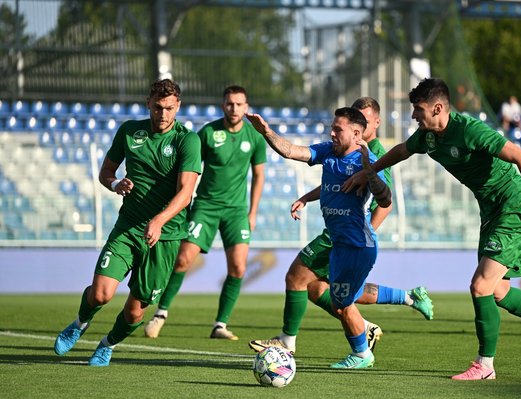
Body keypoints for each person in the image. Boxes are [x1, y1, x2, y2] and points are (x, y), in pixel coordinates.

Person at [343, 78, 521, 380]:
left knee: (480, 286)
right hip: (490, 211)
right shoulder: (428, 136)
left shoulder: (469, 130)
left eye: (418, 110)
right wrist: (368, 170)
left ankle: (484, 366)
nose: (414, 116)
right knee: (498, 291)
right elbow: (400, 151)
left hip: (514, 206)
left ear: (438, 108)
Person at [248, 97, 433, 355]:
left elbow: (385, 200)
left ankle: (300, 342)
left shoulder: (374, 157)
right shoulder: (330, 151)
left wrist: (365, 235)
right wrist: (267, 132)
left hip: (352, 239)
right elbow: (293, 152)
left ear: (364, 128)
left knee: (303, 281)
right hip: (340, 236)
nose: (332, 133)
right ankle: (400, 303)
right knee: (324, 290)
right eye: (332, 128)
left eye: (338, 129)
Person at [53, 79, 201, 366]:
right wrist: (115, 183)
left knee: (134, 313)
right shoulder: (130, 131)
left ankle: (107, 344)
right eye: (158, 107)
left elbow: (185, 193)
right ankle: (79, 323)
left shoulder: (187, 140)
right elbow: (106, 172)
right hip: (129, 227)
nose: (163, 114)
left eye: (170, 108)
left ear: (178, 107)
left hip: (166, 236)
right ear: (148, 103)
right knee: (100, 294)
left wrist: (158, 221)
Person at [143, 85, 266, 340]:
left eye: (239, 104)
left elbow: (259, 176)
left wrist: (252, 213)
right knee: (183, 260)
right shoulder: (208, 132)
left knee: (239, 268)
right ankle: (160, 314)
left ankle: (220, 325)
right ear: (223, 105)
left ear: (246, 107)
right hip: (205, 207)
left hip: (236, 211)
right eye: (229, 103)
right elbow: (189, 169)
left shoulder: (254, 137)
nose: (234, 108)